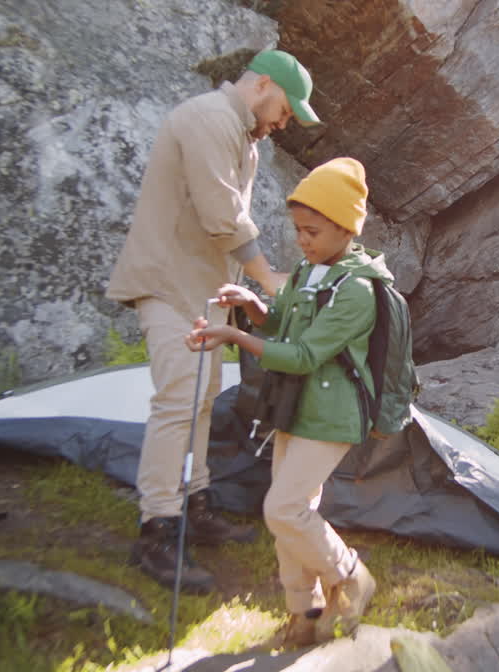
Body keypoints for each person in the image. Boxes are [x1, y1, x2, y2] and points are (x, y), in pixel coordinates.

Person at [106, 49, 321, 592]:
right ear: (262, 85)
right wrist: (267, 279)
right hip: (168, 283)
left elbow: (224, 223)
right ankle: (156, 531)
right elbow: (222, 213)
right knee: (178, 401)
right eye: (285, 109)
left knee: (200, 399)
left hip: (203, 292)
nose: (284, 121)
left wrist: (236, 293)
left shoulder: (239, 134)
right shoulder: (208, 119)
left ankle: (196, 506)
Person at [185, 157, 382, 647]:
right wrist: (253, 310)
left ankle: (351, 574)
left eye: (313, 231)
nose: (302, 240)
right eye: (298, 230)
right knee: (293, 513)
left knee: (284, 509)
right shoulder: (307, 271)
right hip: (293, 409)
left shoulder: (358, 290)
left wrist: (233, 334)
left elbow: (304, 355)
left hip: (332, 418)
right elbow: (284, 326)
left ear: (345, 228)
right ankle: (305, 612)